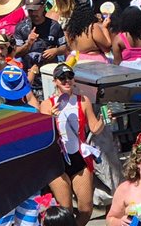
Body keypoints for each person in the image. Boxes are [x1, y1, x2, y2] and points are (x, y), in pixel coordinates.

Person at [45, 62, 106, 226]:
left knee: (86, 210)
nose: (66, 81)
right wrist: (49, 118)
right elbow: (43, 137)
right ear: (55, 81)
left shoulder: (83, 101)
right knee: (66, 212)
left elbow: (95, 128)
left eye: (69, 77)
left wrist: (104, 120)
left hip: (79, 158)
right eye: (62, 78)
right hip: (58, 162)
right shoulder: (47, 104)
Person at [13, 0, 69, 72]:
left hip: (49, 71)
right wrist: (28, 44)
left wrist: (55, 51)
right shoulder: (21, 27)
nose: (33, 13)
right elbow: (16, 53)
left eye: (35, 10)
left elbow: (65, 48)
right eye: (30, 10)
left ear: (43, 8)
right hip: (28, 71)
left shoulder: (54, 26)